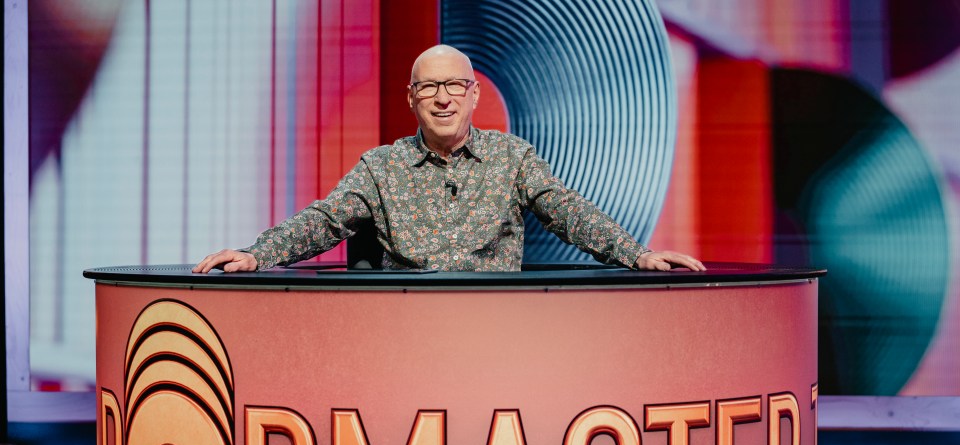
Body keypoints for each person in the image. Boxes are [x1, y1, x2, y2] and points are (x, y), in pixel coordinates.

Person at [194, 45, 704, 274]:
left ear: (474, 94)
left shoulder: (513, 157)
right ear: (411, 98)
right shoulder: (381, 167)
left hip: (493, 334)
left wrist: (635, 254)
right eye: (430, 87)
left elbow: (567, 210)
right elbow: (323, 221)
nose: (443, 98)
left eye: (455, 85)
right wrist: (258, 254)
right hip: (408, 335)